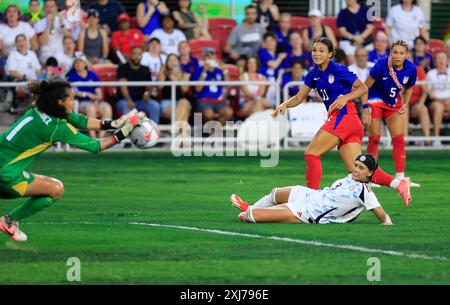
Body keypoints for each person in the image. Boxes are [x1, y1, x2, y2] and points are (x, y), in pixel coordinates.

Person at [272, 37, 411, 206]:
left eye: (322, 50)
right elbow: (300, 97)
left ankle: (311, 200)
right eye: (315, 50)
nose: (317, 53)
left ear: (330, 54)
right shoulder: (313, 74)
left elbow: (363, 88)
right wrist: (285, 104)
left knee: (311, 153)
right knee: (357, 171)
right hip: (350, 122)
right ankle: (398, 184)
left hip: (343, 118)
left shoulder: (338, 70)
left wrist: (347, 97)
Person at [0, 80, 144, 242]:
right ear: (60, 102)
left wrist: (115, 123)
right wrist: (124, 131)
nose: (73, 101)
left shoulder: (38, 109)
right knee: (56, 190)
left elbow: (80, 120)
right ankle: (8, 221)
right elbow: (97, 146)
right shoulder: (56, 128)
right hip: (7, 177)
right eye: (72, 98)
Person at [231, 154, 394, 225]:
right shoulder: (351, 176)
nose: (356, 169)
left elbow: (380, 213)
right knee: (276, 193)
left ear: (370, 173)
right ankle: (248, 206)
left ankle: (249, 211)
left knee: (251, 216)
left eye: (361, 168)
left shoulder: (365, 192)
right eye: (355, 165)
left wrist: (387, 223)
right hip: (313, 195)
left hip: (311, 212)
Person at [363, 40, 418, 183]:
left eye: (401, 53)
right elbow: (365, 87)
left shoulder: (411, 69)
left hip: (393, 103)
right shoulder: (381, 64)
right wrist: (364, 107)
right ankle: (370, 177)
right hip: (375, 100)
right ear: (390, 53)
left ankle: (400, 178)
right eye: (395, 52)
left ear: (406, 55)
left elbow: (408, 88)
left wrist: (405, 103)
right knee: (374, 138)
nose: (397, 56)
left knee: (398, 139)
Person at [67, 54, 113, 139]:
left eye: (80, 62)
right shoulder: (71, 75)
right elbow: (75, 93)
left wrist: (92, 97)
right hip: (80, 102)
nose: (78, 64)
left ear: (85, 64)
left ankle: (101, 137)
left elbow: (99, 95)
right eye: (76, 62)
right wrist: (88, 94)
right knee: (90, 108)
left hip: (94, 101)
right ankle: (93, 137)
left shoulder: (92, 75)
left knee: (107, 108)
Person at [116, 46, 161, 124]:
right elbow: (123, 86)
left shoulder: (145, 69)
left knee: (155, 106)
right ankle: (126, 134)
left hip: (141, 101)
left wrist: (147, 93)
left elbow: (149, 86)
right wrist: (128, 99)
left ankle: (153, 131)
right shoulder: (122, 68)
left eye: (139, 54)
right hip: (125, 100)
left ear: (142, 56)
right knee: (126, 107)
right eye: (135, 54)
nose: (137, 57)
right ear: (130, 55)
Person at [192, 48, 233, 126]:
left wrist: (224, 70)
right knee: (209, 114)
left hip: (219, 101)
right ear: (203, 58)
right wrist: (204, 72)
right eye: (208, 57)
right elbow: (198, 89)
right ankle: (214, 134)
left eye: (212, 56)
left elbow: (228, 85)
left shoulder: (219, 70)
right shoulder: (198, 70)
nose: (210, 58)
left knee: (228, 112)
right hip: (204, 100)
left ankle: (214, 133)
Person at [157, 53, 191, 132]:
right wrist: (162, 72)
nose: (172, 62)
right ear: (166, 62)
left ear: (178, 62)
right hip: (167, 103)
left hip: (180, 102)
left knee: (184, 102)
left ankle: (174, 131)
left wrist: (179, 77)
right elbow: (160, 86)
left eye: (174, 60)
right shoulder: (163, 73)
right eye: (170, 60)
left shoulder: (184, 74)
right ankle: (182, 139)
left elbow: (184, 89)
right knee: (184, 116)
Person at [404, 50, 430, 146]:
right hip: (402, 102)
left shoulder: (419, 70)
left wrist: (421, 103)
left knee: (423, 109)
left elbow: (425, 91)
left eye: (409, 58)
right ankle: (405, 139)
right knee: (404, 109)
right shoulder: (396, 71)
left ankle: (427, 140)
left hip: (416, 103)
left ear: (412, 59)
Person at [337, 0, 374, 65]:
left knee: (369, 61)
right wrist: (354, 38)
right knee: (353, 64)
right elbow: (342, 31)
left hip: (365, 40)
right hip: (348, 41)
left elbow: (370, 27)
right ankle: (355, 74)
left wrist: (361, 38)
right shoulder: (342, 13)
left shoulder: (366, 10)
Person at [34, 0, 72, 64]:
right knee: (55, 69)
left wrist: (62, 25)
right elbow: (42, 42)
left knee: (64, 68)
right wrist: (48, 25)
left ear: (56, 8)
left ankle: (58, 71)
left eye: (52, 6)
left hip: (61, 54)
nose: (49, 9)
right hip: (46, 55)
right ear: (43, 9)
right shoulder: (38, 24)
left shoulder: (63, 21)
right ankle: (56, 71)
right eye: (47, 7)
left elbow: (69, 37)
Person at [426, 52, 450, 147]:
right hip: (435, 101)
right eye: (438, 59)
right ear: (435, 62)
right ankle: (436, 138)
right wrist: (438, 99)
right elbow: (428, 92)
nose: (441, 61)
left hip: (449, 100)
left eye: (443, 58)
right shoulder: (430, 74)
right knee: (439, 107)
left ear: (447, 61)